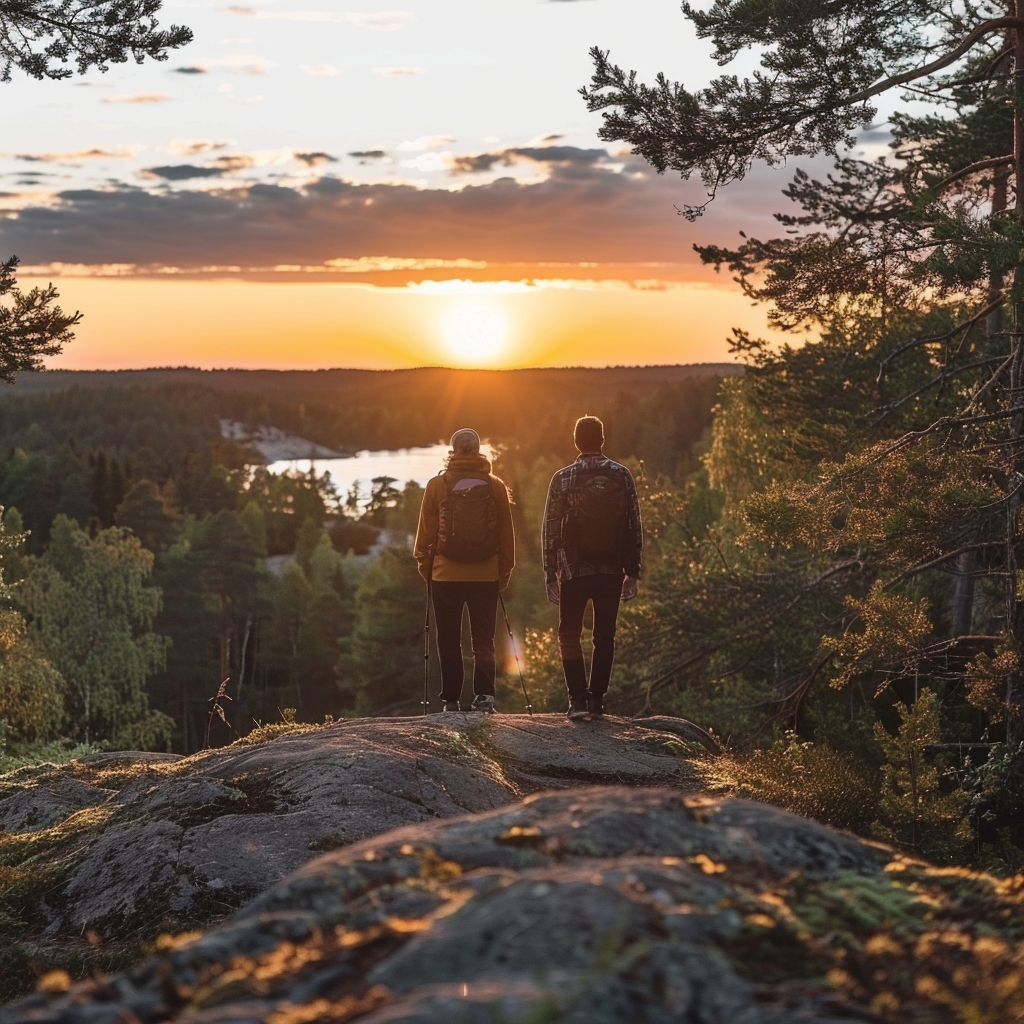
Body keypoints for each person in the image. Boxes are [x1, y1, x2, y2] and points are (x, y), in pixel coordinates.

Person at [543, 415, 642, 719]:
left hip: (574, 569)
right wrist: (633, 572)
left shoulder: (562, 477)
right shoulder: (622, 474)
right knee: (604, 636)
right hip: (612, 569)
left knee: (569, 634)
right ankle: (597, 700)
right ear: (601, 440)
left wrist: (550, 573)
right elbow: (634, 524)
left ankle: (577, 701)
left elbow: (550, 528)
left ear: (576, 441)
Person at [414, 428, 515, 713]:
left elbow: (423, 540)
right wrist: (502, 573)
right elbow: (507, 538)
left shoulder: (437, 485)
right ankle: (484, 698)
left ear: (454, 451)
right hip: (486, 575)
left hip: (445, 575)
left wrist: (428, 571)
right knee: (484, 638)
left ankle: (451, 701)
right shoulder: (495, 485)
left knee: (448, 638)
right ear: (478, 450)